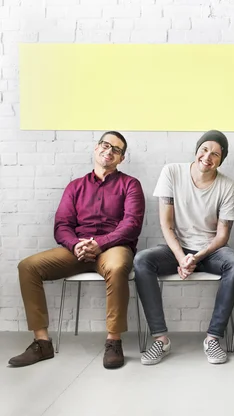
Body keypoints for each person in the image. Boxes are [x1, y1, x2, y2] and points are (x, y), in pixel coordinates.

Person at [9, 132, 145, 369]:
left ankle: (113, 341)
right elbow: (62, 225)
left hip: (113, 247)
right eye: (105, 145)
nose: (109, 151)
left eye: (117, 149)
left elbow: (131, 225)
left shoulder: (130, 185)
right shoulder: (75, 186)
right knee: (28, 266)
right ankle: (42, 343)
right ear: (96, 148)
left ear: (121, 158)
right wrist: (76, 245)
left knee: (117, 266)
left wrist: (99, 244)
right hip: (77, 249)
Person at [134, 130, 234, 365]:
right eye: (204, 149)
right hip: (177, 248)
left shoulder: (228, 187)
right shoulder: (172, 172)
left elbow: (222, 236)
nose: (208, 156)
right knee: (142, 260)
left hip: (210, 251)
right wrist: (182, 257)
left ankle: (213, 339)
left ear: (221, 160)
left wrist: (196, 258)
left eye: (216, 154)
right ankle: (160, 339)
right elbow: (166, 224)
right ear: (196, 150)